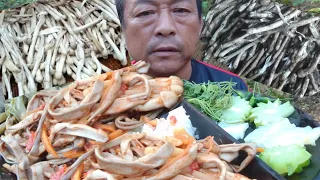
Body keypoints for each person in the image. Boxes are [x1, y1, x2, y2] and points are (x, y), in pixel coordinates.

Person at [115, 0, 249, 91]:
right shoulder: (102, 95)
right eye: (145, 12)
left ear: (200, 24)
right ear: (122, 28)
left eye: (180, 10)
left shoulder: (233, 88)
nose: (165, 27)